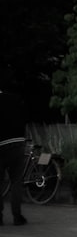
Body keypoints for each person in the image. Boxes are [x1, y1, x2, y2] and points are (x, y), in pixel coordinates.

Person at [0, 73, 28, 227]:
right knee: (16, 181)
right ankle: (17, 216)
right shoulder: (15, 99)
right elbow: (24, 118)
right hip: (17, 142)